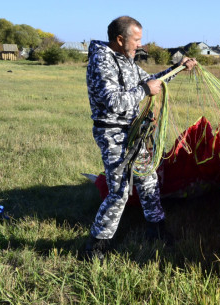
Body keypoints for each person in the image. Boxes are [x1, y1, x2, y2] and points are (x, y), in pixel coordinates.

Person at [84, 16, 197, 259]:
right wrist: (145, 91)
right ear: (120, 39)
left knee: (148, 181)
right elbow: (113, 102)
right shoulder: (102, 61)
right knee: (119, 191)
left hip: (134, 131)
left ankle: (155, 231)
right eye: (136, 40)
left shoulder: (127, 60)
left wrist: (179, 67)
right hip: (112, 132)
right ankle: (95, 247)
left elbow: (151, 79)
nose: (140, 45)